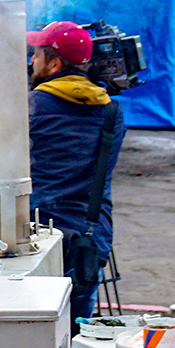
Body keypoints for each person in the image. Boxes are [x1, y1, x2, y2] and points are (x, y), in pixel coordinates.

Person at [27, 20, 127, 323]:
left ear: (54, 64)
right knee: (76, 336)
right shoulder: (112, 111)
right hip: (90, 237)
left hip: (36, 236)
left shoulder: (32, 107)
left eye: (36, 55)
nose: (31, 61)